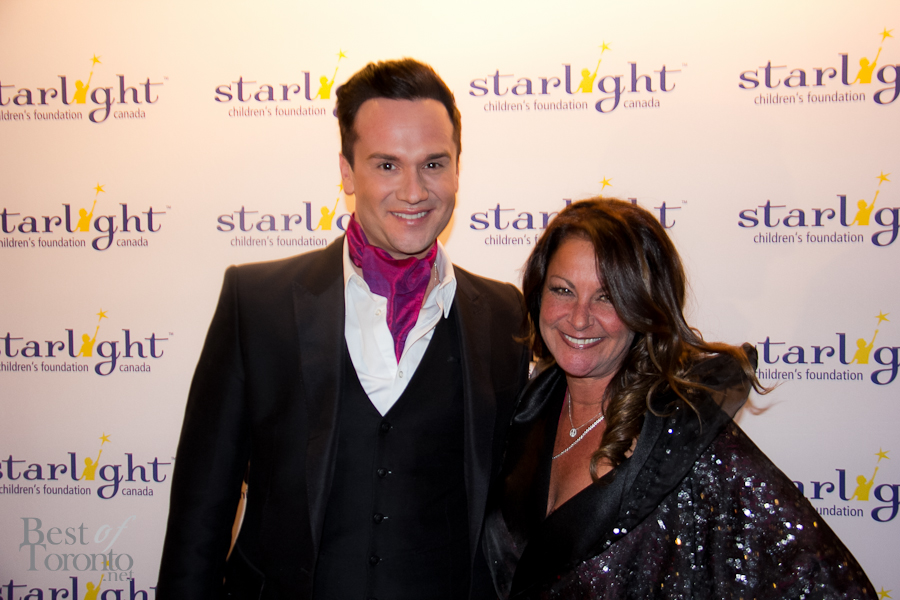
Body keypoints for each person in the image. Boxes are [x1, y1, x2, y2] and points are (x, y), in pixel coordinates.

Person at [157, 59, 530, 599]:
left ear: (456, 169)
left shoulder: (502, 313)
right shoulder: (256, 303)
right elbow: (201, 509)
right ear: (347, 173)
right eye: (386, 165)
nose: (413, 191)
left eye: (433, 164)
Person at [483, 198, 876, 599]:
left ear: (645, 306)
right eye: (563, 290)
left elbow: (826, 583)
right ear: (538, 295)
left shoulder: (686, 437)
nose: (579, 317)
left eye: (607, 296)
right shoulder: (524, 407)